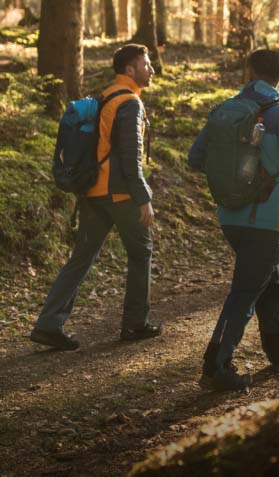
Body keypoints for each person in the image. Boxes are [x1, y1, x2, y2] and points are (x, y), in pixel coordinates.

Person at [189, 49, 279, 390]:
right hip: (267, 218)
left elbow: (195, 157)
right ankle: (216, 366)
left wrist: (235, 180)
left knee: (263, 278)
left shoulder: (224, 111)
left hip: (230, 216)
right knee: (245, 289)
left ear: (249, 72)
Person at [30, 44, 161, 351]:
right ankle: (134, 324)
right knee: (141, 253)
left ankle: (48, 324)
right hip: (120, 194)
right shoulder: (129, 103)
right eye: (146, 64)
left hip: (92, 192)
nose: (151, 69)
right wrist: (143, 197)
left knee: (81, 258)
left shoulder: (106, 96)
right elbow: (131, 158)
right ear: (129, 70)